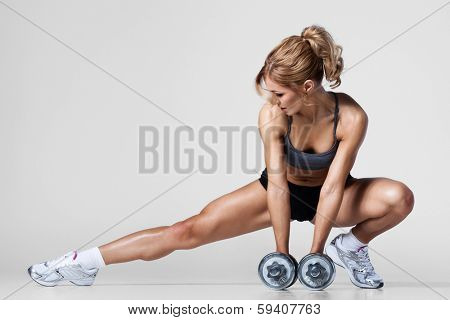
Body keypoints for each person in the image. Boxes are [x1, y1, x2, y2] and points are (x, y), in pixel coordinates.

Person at [27, 24, 415, 290]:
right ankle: (82, 263)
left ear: (308, 87)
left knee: (399, 197)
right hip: (277, 193)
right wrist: (282, 255)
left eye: (280, 93)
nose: (272, 100)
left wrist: (315, 256)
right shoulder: (273, 116)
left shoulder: (350, 117)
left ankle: (348, 248)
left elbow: (332, 186)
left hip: (334, 197)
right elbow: (277, 185)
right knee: (185, 231)